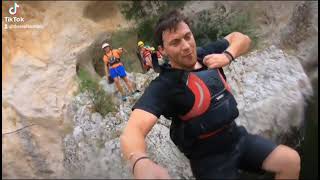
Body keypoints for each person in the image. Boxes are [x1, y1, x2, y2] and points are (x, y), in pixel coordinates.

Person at [120, 10, 301, 179]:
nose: (186, 46)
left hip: (237, 138)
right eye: (175, 42)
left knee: (290, 161)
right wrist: (140, 162)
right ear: (162, 50)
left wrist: (227, 56)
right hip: (209, 160)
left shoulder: (205, 55)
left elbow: (241, 38)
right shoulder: (165, 85)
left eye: (187, 37)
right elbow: (133, 131)